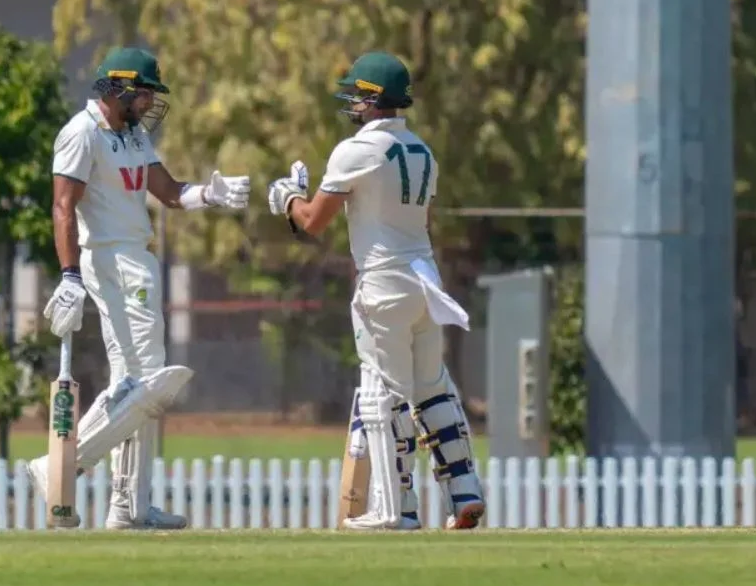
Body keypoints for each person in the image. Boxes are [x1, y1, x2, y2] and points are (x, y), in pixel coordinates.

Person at [30, 47, 251, 529]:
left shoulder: (131, 136)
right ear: (120, 88)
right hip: (110, 260)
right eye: (145, 92)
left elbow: (169, 193)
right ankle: (63, 468)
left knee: (136, 384)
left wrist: (211, 194)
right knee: (146, 382)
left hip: (138, 259)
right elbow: (63, 207)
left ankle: (128, 506)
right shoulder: (80, 132)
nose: (150, 102)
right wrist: (69, 275)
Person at [266, 51, 485, 530]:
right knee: (431, 389)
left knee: (381, 396)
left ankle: (395, 510)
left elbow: (313, 222)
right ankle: (464, 491)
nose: (351, 103)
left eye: (356, 94)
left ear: (372, 98)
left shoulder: (357, 150)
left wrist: (286, 197)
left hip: (383, 283)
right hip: (426, 280)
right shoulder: (423, 152)